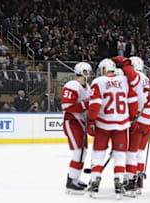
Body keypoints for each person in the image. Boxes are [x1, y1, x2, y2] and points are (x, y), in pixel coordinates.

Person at [87, 58, 138, 199]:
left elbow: (95, 103)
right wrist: (133, 119)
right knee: (120, 155)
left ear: (103, 70)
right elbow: (133, 101)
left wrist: (91, 119)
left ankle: (95, 181)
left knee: (98, 153)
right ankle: (119, 182)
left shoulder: (98, 82)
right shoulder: (124, 80)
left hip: (103, 124)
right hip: (121, 125)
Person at [113, 56, 150, 196]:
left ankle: (130, 182)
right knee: (139, 152)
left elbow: (128, 69)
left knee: (131, 152)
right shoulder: (147, 79)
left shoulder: (137, 77)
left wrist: (122, 61)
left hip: (139, 120)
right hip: (149, 120)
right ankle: (139, 181)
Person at [61, 62, 92, 194]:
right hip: (72, 121)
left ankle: (75, 178)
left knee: (83, 151)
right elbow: (67, 106)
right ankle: (71, 181)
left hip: (81, 122)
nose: (89, 75)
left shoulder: (87, 86)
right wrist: (86, 105)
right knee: (79, 151)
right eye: (87, 72)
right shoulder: (72, 85)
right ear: (83, 72)